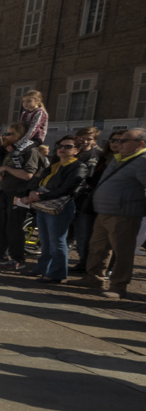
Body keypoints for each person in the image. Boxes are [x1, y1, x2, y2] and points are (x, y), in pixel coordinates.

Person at [79, 128, 146, 299]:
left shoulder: (142, 161)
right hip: (104, 211)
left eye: (124, 141)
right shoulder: (118, 159)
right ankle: (94, 279)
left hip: (124, 214)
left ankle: (118, 286)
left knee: (122, 251)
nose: (118, 144)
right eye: (117, 141)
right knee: (97, 247)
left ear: (141, 144)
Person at [23, 135, 87, 284]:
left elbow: (67, 189)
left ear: (77, 150)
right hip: (44, 206)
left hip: (60, 207)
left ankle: (56, 273)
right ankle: (43, 268)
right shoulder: (55, 164)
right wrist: (32, 191)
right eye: (60, 146)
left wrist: (39, 196)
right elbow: (38, 179)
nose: (62, 149)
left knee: (57, 241)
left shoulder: (78, 166)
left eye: (68, 146)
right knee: (45, 241)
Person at [0, 123, 45, 272]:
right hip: (4, 194)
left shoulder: (31, 152)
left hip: (19, 195)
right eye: (5, 133)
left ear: (20, 137)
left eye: (9, 134)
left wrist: (6, 168)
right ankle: (0, 255)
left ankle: (18, 259)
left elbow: (28, 175)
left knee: (14, 227)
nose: (4, 136)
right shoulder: (10, 151)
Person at [70, 126, 103, 273]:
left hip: (86, 200)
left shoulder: (100, 155)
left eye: (89, 138)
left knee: (83, 234)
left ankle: (84, 264)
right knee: (67, 234)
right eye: (82, 138)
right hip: (67, 198)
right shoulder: (72, 152)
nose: (85, 141)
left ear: (94, 140)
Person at [10, 91, 48, 168]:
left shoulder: (40, 112)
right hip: (24, 138)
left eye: (29, 101)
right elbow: (20, 128)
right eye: (23, 101)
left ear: (38, 101)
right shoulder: (24, 113)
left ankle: (20, 171)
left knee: (16, 154)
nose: (25, 103)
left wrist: (16, 144)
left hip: (35, 139)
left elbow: (33, 130)